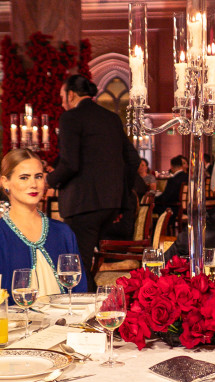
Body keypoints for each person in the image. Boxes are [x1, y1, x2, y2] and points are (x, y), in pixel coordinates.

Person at [47, 74, 142, 280]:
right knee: (90, 264)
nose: (62, 102)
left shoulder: (71, 118)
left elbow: (70, 164)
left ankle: (85, 307)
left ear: (71, 95)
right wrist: (120, 196)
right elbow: (133, 159)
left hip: (83, 205)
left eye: (62, 96)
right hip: (111, 208)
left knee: (78, 267)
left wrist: (48, 181)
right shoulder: (111, 118)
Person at [0, 149, 86, 309]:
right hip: (15, 330)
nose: (33, 184)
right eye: (24, 177)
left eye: (38, 177)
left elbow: (80, 294)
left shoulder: (63, 233)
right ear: (6, 182)